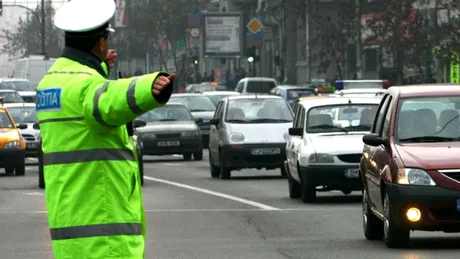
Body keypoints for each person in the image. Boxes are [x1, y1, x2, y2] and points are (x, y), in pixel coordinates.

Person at [35, 0, 175, 258]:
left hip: (71, 229)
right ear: (101, 43)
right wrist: (151, 86)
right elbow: (107, 100)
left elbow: (83, 100)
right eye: (106, 41)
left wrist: (98, 67)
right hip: (103, 237)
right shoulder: (87, 87)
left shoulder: (49, 83)